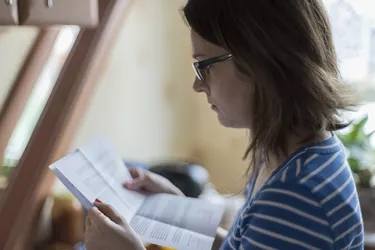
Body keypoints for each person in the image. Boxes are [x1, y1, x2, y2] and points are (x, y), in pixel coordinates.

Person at [83, 0, 364, 249]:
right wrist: (173, 209)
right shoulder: (291, 157)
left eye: (205, 66)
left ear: (258, 60)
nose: (197, 85)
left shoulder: (297, 195)